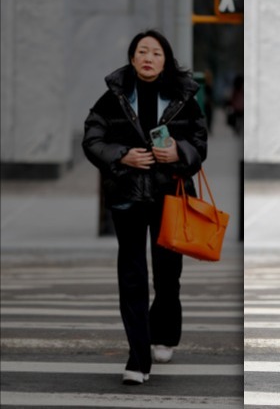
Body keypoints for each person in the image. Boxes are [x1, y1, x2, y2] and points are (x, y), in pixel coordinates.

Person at [82, 30, 208, 385]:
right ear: (133, 58)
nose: (148, 57)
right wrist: (123, 156)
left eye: (155, 52)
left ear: (165, 60)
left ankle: (164, 334)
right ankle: (138, 358)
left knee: (168, 275)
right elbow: (92, 139)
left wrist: (179, 152)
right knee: (133, 276)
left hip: (171, 196)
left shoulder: (184, 98)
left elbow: (200, 142)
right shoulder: (113, 98)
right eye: (142, 51)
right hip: (127, 196)